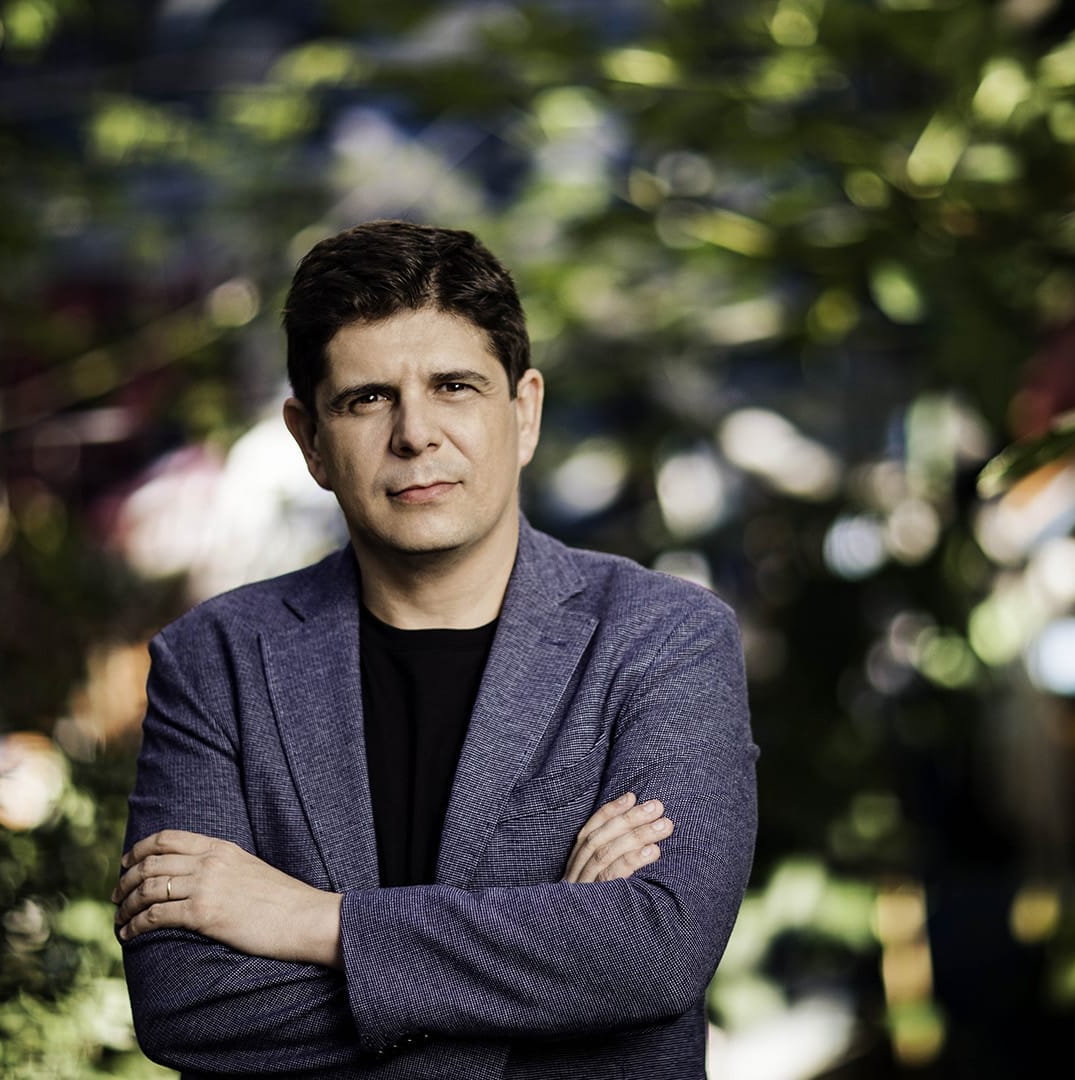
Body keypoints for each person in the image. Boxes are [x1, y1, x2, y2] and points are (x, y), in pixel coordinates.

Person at [112, 220, 758, 1077]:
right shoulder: (214, 663)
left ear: (523, 412)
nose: (415, 433)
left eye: (454, 386)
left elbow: (656, 953)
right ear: (309, 440)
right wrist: (549, 945)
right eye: (367, 398)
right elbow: (188, 1006)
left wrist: (315, 923)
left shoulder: (664, 639)